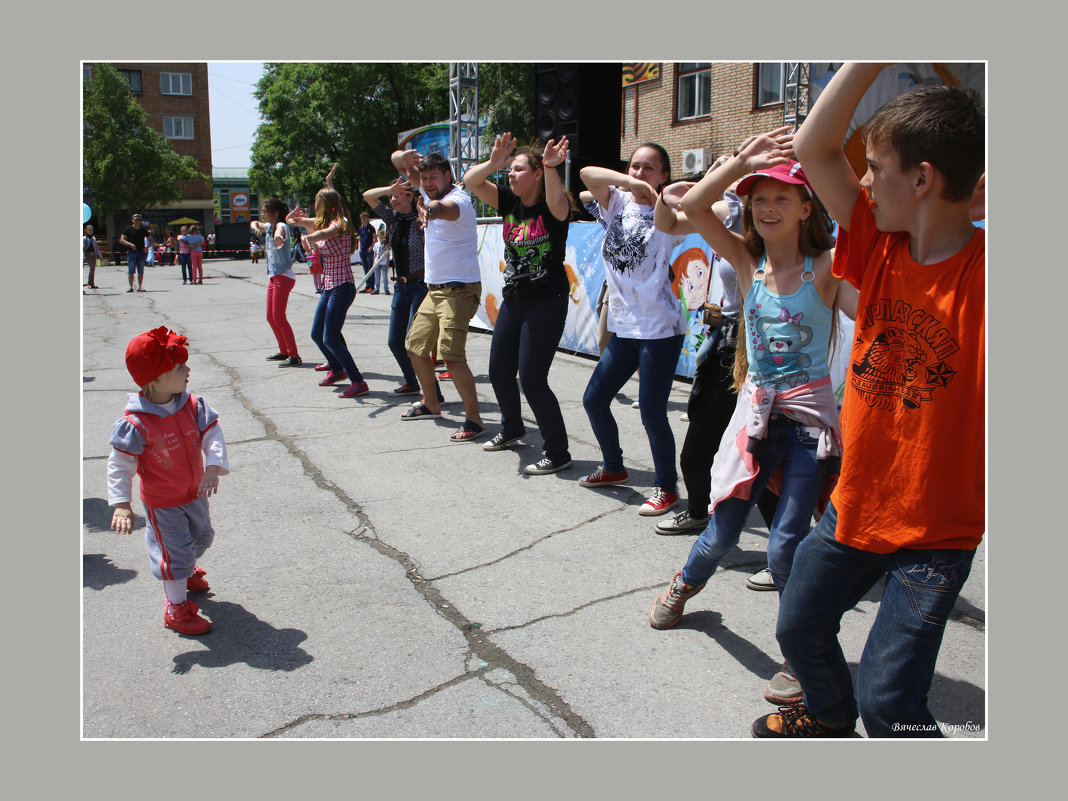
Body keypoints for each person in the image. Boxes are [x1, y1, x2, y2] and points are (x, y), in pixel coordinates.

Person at [750, 64, 985, 739]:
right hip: (856, 504)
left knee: (890, 705)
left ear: (922, 179)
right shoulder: (877, 242)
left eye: (876, 166)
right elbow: (813, 148)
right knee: (797, 623)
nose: (861, 179)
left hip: (936, 533)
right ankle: (825, 711)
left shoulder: (987, 274)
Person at [647, 130, 854, 709]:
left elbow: (870, 250)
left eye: (782, 198)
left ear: (807, 207)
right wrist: (740, 162)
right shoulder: (747, 261)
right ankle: (684, 587)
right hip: (756, 422)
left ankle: (799, 651)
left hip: (809, 428)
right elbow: (686, 209)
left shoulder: (829, 268)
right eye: (758, 198)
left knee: (788, 543)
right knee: (722, 534)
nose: (767, 207)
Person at [577, 143, 687, 514]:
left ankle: (666, 487)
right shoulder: (617, 204)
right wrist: (629, 182)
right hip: (625, 326)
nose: (640, 173)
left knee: (652, 413)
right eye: (635, 165)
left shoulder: (669, 211)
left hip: (660, 327)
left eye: (649, 168)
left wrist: (657, 194)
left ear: (664, 175)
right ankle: (613, 467)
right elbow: (586, 175)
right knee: (594, 399)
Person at [463, 132, 574, 474]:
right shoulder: (510, 203)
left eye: (518, 169)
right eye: (509, 171)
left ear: (537, 173)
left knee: (532, 379)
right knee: (498, 371)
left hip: (546, 301)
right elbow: (470, 181)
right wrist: (494, 163)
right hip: (514, 302)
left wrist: (552, 166)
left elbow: (559, 205)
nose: (511, 175)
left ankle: (558, 451)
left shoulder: (552, 205)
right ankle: (512, 427)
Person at [107, 326, 229, 636]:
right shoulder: (136, 423)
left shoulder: (190, 405)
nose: (188, 369)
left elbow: (212, 433)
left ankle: (183, 569)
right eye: (179, 367)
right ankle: (175, 608)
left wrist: (213, 466)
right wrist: (122, 504)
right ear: (157, 379)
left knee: (203, 537)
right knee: (174, 553)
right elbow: (120, 465)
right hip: (163, 504)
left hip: (194, 494)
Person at [391, 149, 485, 442]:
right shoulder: (428, 189)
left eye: (434, 177)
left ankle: (474, 420)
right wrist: (403, 155)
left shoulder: (458, 200)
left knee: (451, 356)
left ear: (448, 176)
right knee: (415, 348)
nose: (428, 183)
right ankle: (431, 403)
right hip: (435, 290)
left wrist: (428, 210)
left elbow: (442, 210)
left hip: (459, 290)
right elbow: (397, 162)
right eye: (424, 178)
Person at [286, 182, 369, 399]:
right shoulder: (322, 222)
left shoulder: (339, 223)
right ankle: (337, 368)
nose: (314, 205)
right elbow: (292, 221)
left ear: (326, 204)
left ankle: (358, 381)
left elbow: (330, 231)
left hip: (342, 286)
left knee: (331, 337)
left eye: (317, 202)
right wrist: (291, 216)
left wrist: (310, 238)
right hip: (329, 286)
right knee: (317, 334)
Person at [362, 177, 434, 397]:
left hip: (420, 285)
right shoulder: (392, 218)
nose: (392, 199)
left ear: (410, 196)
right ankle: (412, 382)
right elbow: (368, 196)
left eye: (397, 195)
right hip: (400, 287)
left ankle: (433, 393)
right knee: (395, 341)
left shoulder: (420, 217)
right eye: (391, 196)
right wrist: (388, 188)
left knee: (415, 343)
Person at [251, 198, 301, 368]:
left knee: (279, 317)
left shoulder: (281, 227)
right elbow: (254, 223)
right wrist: (254, 227)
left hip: (283, 277)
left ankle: (294, 355)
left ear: (275, 213)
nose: (262, 214)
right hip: (274, 277)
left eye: (265, 211)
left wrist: (278, 237)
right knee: (271, 317)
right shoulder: (269, 226)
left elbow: (280, 231)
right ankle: (284, 351)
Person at [119, 213, 151, 292]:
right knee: (131, 270)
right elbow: (122, 240)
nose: (137, 221)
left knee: (141, 270)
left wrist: (147, 247)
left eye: (139, 220)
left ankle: (140, 287)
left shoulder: (143, 230)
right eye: (135, 219)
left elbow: (152, 241)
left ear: (140, 221)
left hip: (141, 253)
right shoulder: (128, 229)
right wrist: (130, 244)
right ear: (132, 220)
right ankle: (131, 287)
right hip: (131, 252)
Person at [357, 211, 377, 293]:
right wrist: (359, 247)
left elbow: (375, 239)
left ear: (368, 219)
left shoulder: (371, 228)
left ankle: (372, 286)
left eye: (365, 218)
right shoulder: (361, 228)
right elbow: (359, 239)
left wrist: (371, 247)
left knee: (370, 269)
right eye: (362, 218)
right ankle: (367, 285)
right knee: (365, 269)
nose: (363, 220)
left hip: (369, 250)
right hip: (363, 250)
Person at [370, 227, 391, 295]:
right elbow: (375, 254)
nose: (381, 237)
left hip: (384, 262)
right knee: (377, 276)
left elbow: (388, 254)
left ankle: (386, 288)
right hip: (377, 262)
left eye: (382, 235)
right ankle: (377, 288)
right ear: (378, 236)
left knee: (385, 276)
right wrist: (373, 262)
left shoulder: (386, 244)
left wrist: (388, 262)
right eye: (379, 235)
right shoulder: (376, 244)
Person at [83, 224, 101, 289]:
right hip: (87, 254)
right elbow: (83, 248)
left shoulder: (93, 238)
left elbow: (96, 248)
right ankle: (89, 283)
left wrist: (100, 255)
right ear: (86, 230)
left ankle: (92, 283)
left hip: (93, 254)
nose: (90, 231)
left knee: (93, 269)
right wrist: (83, 256)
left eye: (91, 230)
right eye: (89, 230)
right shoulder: (84, 238)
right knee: (92, 267)